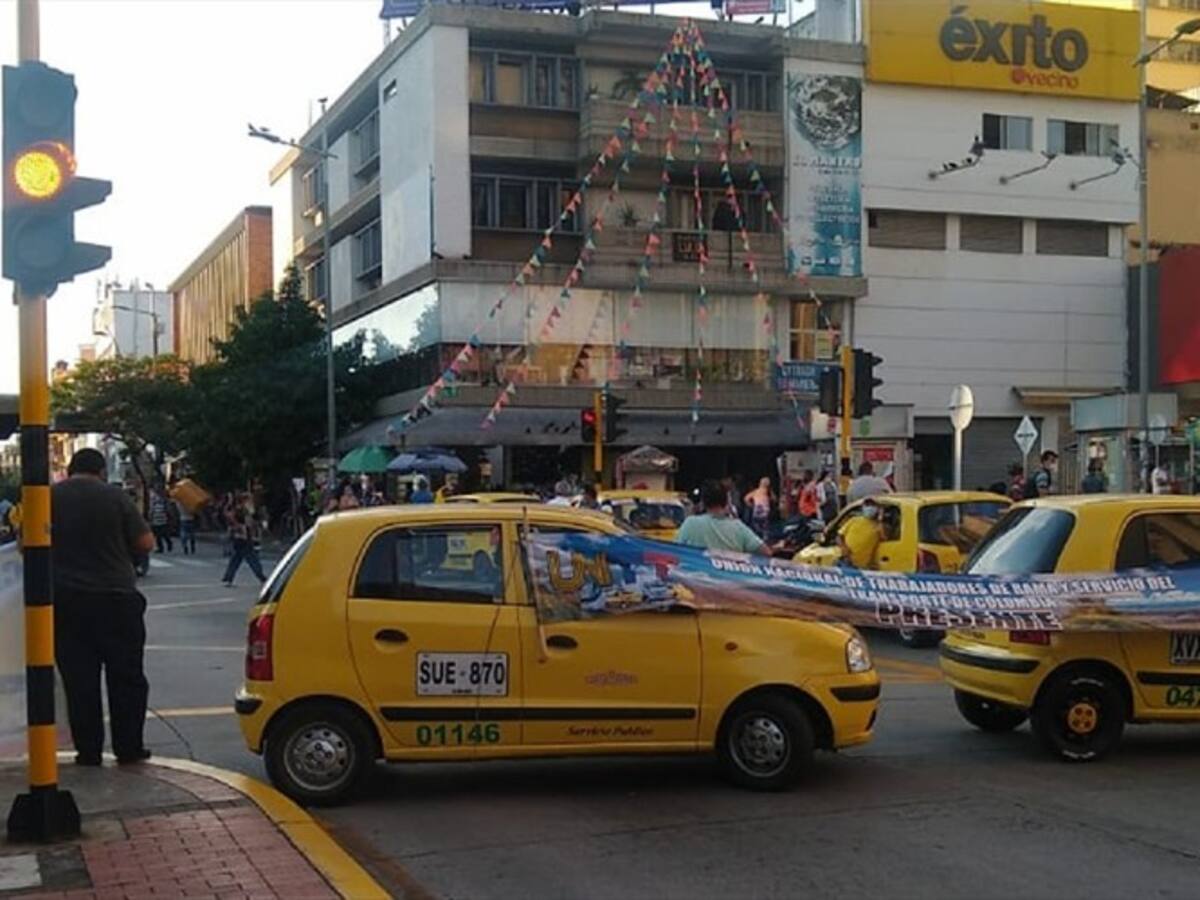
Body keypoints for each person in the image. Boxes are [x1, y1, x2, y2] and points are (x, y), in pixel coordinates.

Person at [52, 448, 155, 766]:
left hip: (66, 602)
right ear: (100, 470)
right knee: (126, 677)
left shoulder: (47, 497)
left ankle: (89, 750)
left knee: (79, 680)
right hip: (116, 599)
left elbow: (29, 543)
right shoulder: (115, 497)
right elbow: (145, 543)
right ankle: (129, 747)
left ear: (70, 469)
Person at [677, 480, 770, 556]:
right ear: (726, 502)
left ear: (703, 503)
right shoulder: (738, 528)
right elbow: (766, 552)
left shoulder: (690, 524)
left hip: (695, 577)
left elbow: (675, 551)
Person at [222, 495, 267, 586]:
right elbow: (249, 523)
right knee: (252, 559)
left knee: (236, 559)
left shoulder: (239, 510)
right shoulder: (243, 511)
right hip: (244, 538)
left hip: (239, 538)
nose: (250, 502)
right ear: (244, 501)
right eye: (249, 500)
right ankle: (261, 577)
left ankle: (228, 578)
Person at [837, 498, 883, 569]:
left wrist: (880, 519)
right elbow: (839, 536)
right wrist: (844, 547)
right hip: (846, 561)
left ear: (877, 509)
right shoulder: (854, 520)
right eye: (867, 505)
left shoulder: (877, 526)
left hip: (861, 566)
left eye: (872, 506)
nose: (869, 508)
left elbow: (884, 537)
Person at [148, 485, 173, 553]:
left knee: (163, 534)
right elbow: (151, 508)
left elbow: (168, 509)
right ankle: (161, 548)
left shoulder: (164, 499)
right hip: (156, 518)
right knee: (158, 535)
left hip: (162, 518)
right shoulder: (153, 497)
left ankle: (168, 543)